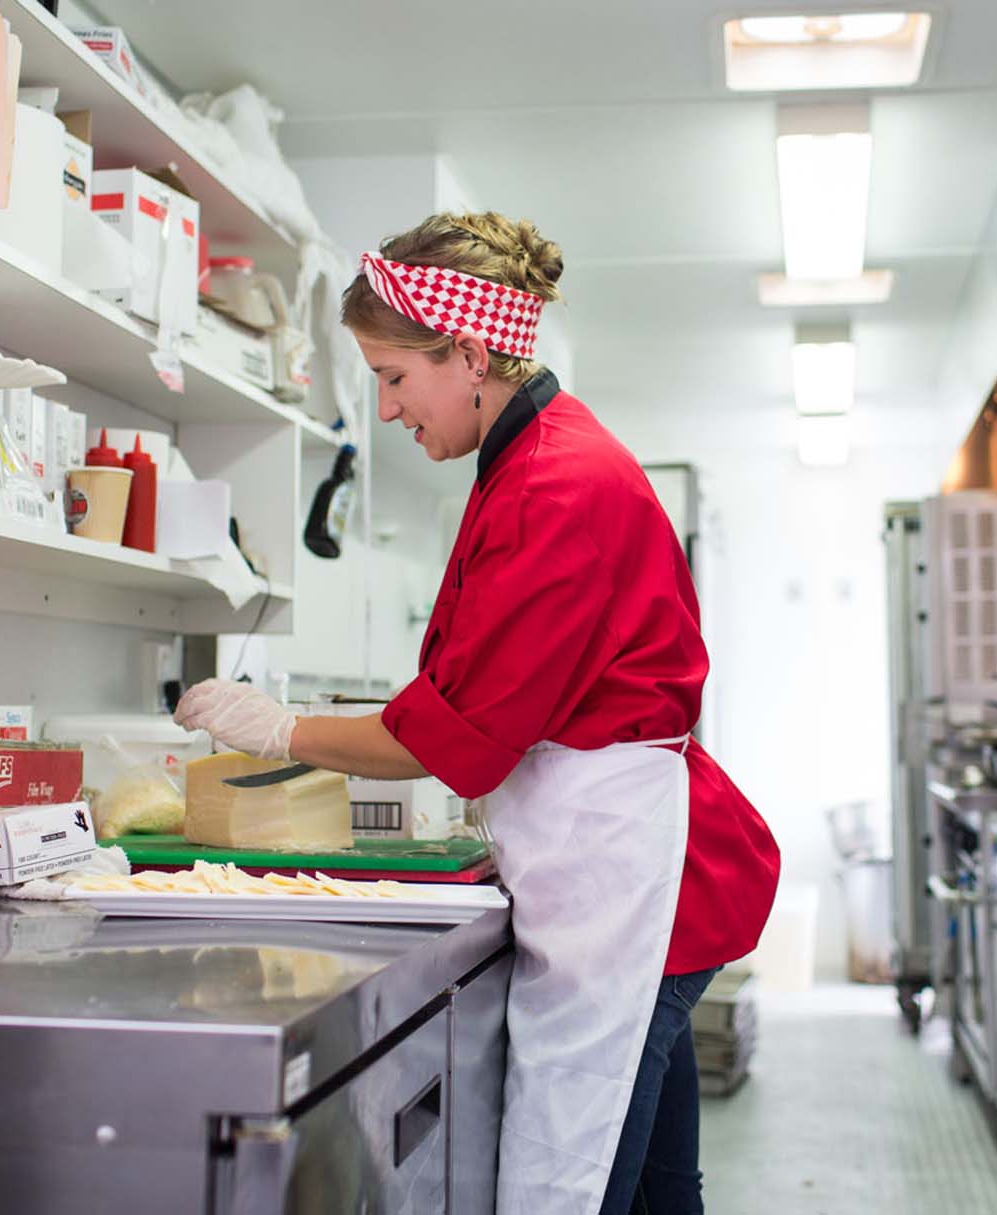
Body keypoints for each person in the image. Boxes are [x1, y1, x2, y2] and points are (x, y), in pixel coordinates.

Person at [174, 212, 781, 1215]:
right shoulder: (532, 462)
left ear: (466, 354)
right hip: (637, 876)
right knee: (657, 1194)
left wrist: (281, 730)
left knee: (577, 1189)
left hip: (637, 890)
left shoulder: (554, 486)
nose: (386, 408)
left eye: (394, 377)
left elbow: (459, 737)